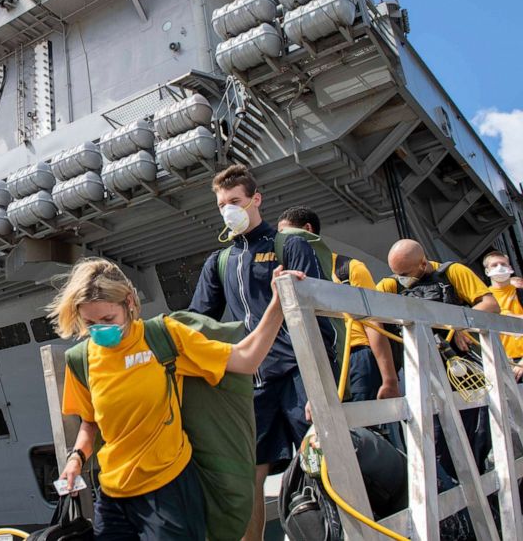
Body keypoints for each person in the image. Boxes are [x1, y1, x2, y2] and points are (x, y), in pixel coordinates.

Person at [52, 258, 304, 541]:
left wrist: (277, 305)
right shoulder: (83, 359)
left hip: (168, 488)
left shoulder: (163, 337)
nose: (99, 330)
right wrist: (76, 460)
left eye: (108, 320)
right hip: (112, 496)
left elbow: (246, 358)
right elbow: (90, 422)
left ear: (130, 302)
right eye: (89, 323)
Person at [189, 166, 336, 541]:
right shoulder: (218, 262)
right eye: (222, 205)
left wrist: (320, 384)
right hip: (253, 380)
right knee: (248, 473)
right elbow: (196, 321)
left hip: (297, 373)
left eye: (235, 202)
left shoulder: (291, 245)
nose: (228, 211)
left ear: (256, 200)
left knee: (323, 462)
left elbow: (316, 318)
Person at [378, 239, 498, 479]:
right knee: (433, 441)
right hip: (420, 373)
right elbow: (372, 322)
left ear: (423, 264)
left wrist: (460, 323)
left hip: (460, 369)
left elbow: (490, 305)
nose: (401, 278)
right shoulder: (389, 285)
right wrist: (389, 378)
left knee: (475, 433)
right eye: (397, 273)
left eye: (405, 273)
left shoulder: (453, 272)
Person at [276, 206, 400, 402]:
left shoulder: (348, 269)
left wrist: (389, 379)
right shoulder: (286, 277)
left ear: (307, 228)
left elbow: (374, 324)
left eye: (285, 234)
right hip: (316, 359)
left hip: (354, 356)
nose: (281, 241)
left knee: (362, 428)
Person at [481, 250, 523, 381]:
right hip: (500, 365)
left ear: (510, 268)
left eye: (504, 264)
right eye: (494, 265)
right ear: (487, 271)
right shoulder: (482, 300)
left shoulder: (520, 293)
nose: (500, 267)